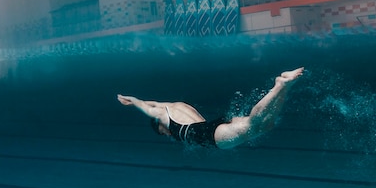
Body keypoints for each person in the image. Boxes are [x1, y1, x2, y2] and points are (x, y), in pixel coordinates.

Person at [117, 67, 304, 149]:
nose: (167, 135)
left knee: (253, 124)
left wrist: (132, 100)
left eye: (162, 132)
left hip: (212, 135)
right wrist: (140, 100)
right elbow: (155, 102)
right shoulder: (176, 106)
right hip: (212, 127)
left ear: (159, 124)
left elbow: (147, 107)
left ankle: (279, 84)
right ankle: (286, 86)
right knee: (266, 125)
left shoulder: (160, 115)